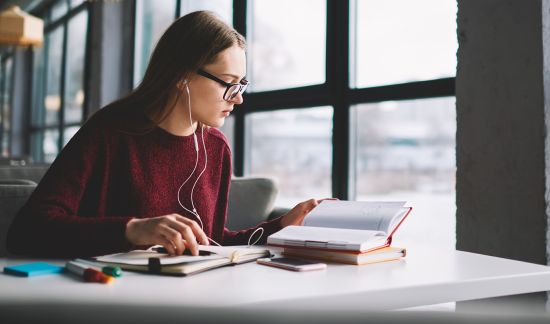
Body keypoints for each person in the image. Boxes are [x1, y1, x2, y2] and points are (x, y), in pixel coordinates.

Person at [6, 11, 334, 258]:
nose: (238, 98)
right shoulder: (109, 132)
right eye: (228, 83)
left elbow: (211, 244)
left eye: (242, 84)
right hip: (111, 298)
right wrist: (134, 229)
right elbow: (28, 231)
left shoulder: (215, 148)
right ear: (181, 76)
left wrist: (280, 226)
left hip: (188, 300)